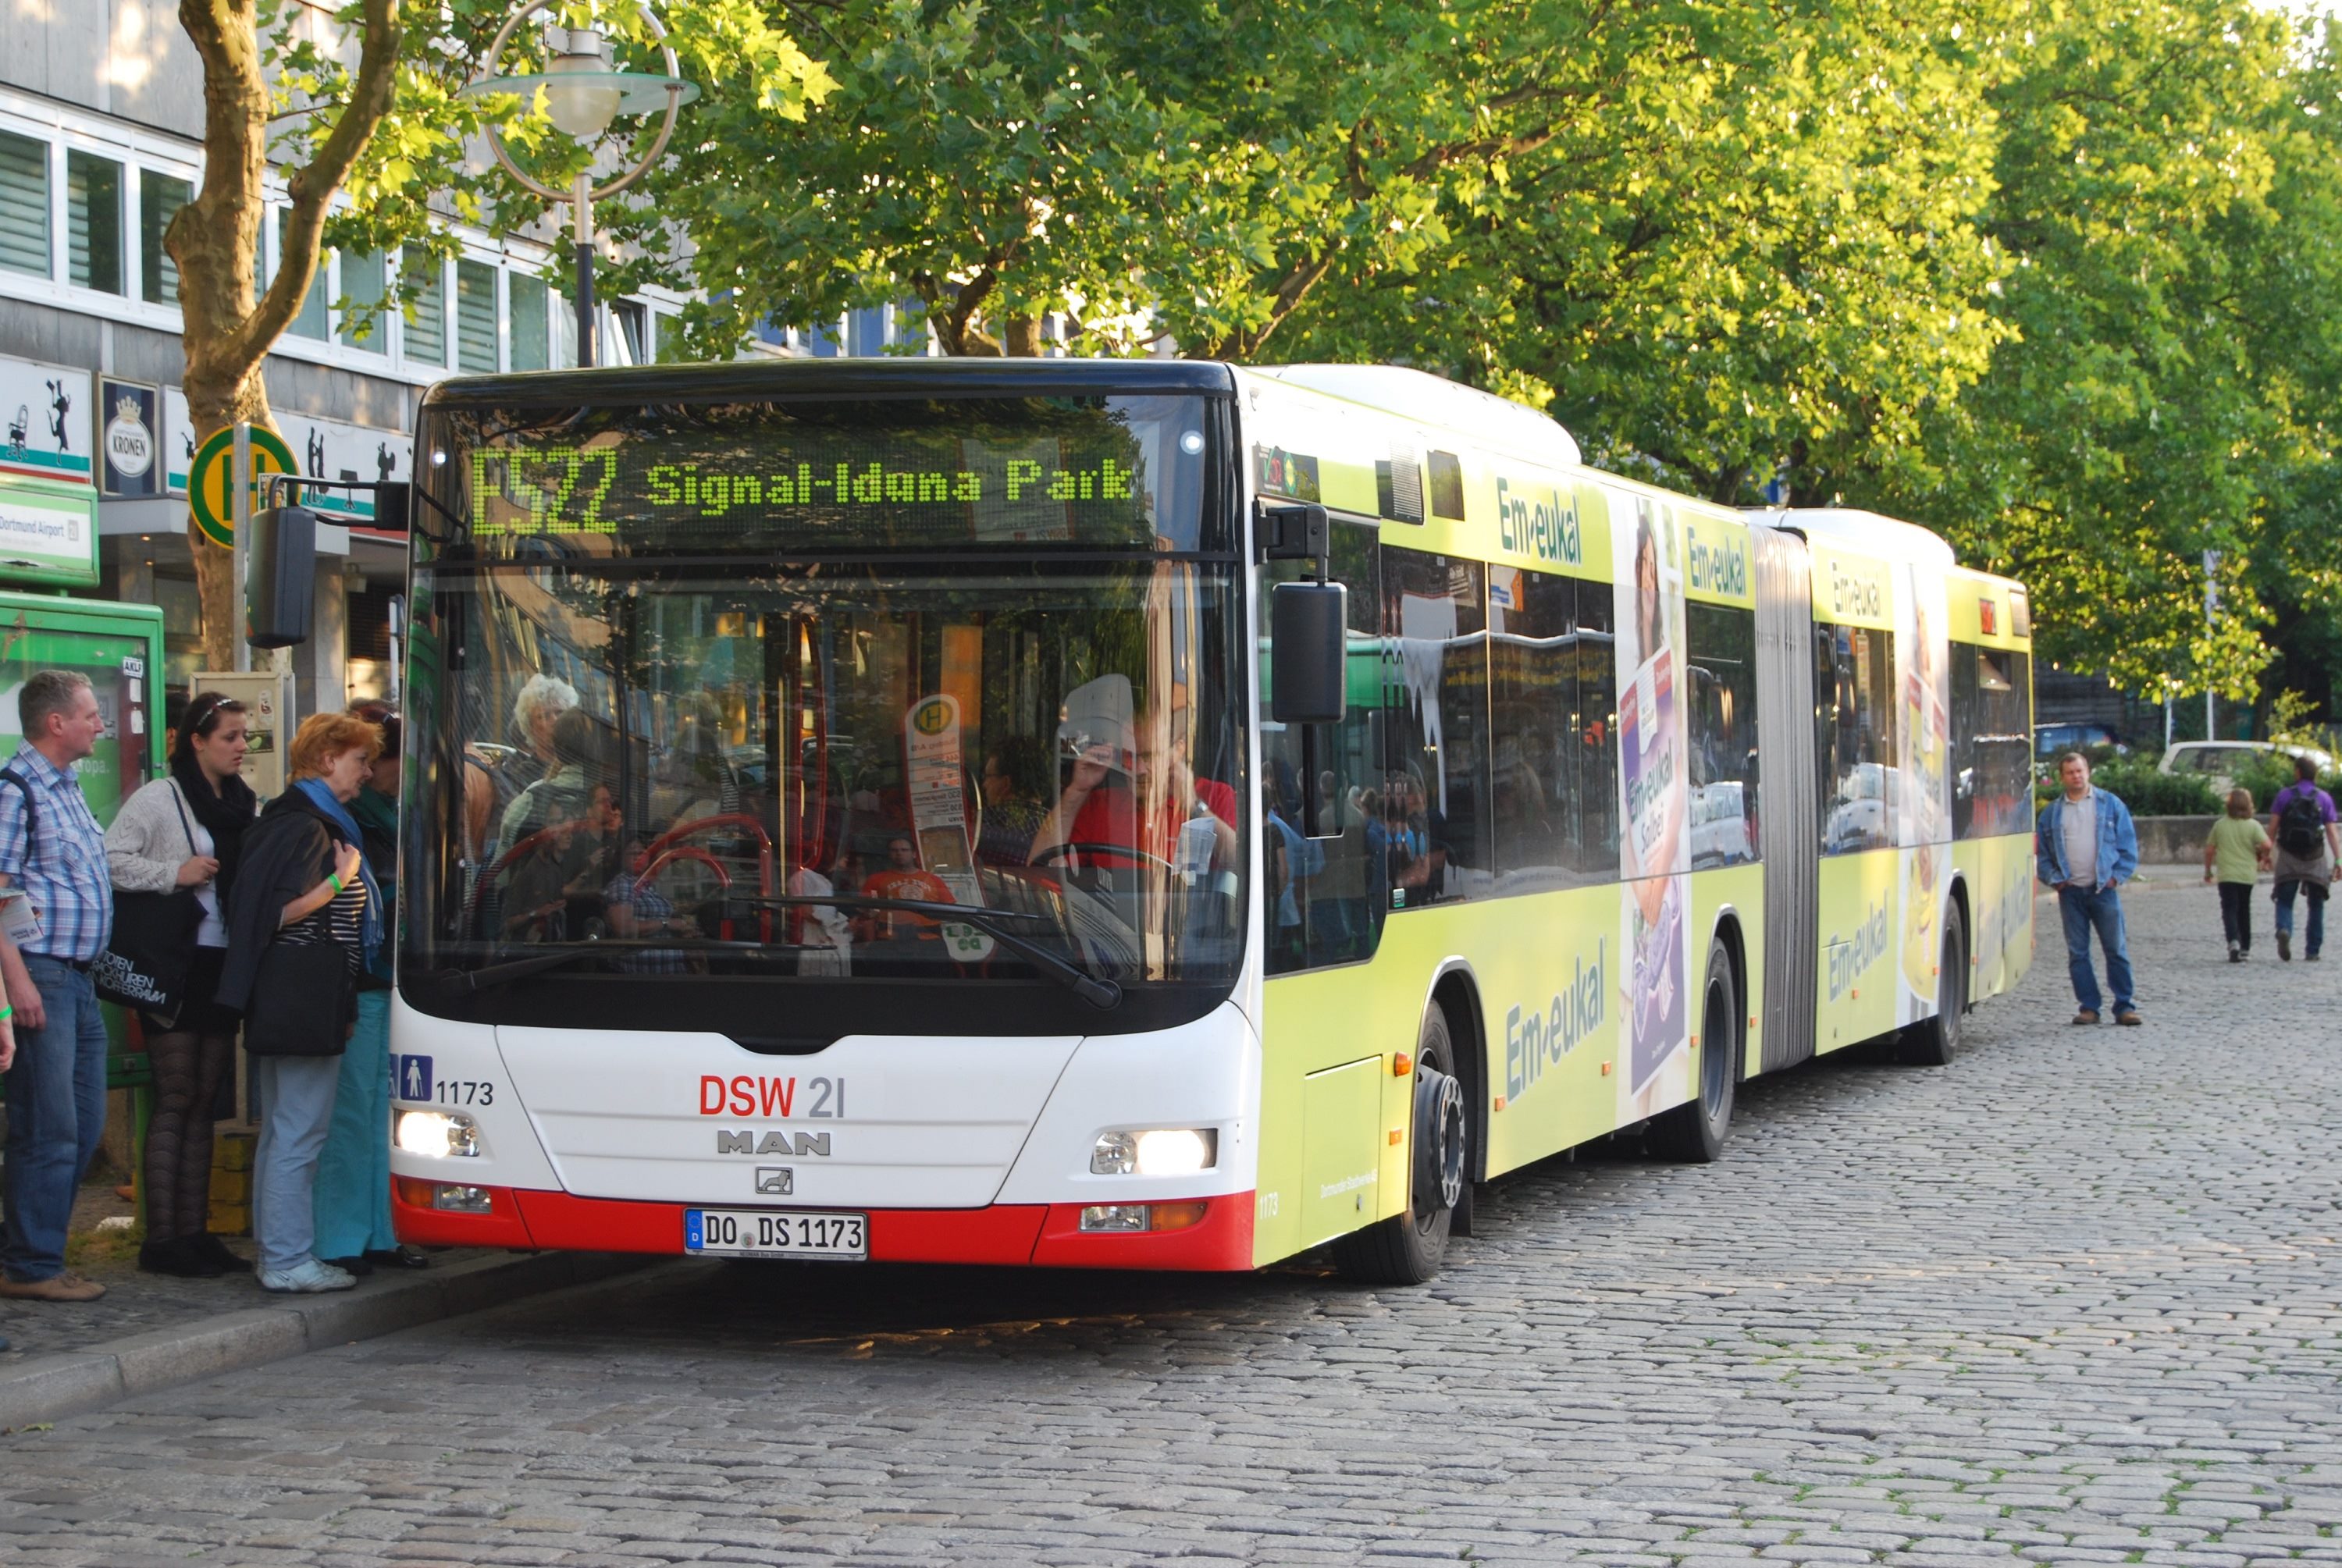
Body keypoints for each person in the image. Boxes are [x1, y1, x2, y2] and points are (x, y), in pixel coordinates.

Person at [219, 713, 383, 1294]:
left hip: (300, 997)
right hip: (303, 999)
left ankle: (278, 1253)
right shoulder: (304, 827)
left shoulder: (301, 820)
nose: (367, 771)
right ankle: (287, 1258)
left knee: (285, 1130)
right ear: (326, 759)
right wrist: (340, 883)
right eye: (359, 759)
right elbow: (269, 914)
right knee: (298, 1131)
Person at [103, 690, 255, 1277]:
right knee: (176, 1094)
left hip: (221, 962)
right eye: (230, 737)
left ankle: (196, 1232)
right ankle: (162, 1238)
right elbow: (110, 857)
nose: (241, 746)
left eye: (245, 737)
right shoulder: (160, 798)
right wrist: (174, 873)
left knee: (205, 1100)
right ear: (197, 740)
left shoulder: (241, 801)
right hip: (175, 961)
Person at [0, 671, 116, 1303]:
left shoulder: (66, 787)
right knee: (48, 1125)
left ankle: (35, 1247)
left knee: (82, 1121)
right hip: (41, 970)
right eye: (92, 714)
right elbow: (0, 888)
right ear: (56, 723)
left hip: (79, 975)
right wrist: (17, 979)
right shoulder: (17, 788)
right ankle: (31, 1263)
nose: (101, 724)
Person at [311, 702, 424, 1276]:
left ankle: (381, 1228)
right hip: (363, 974)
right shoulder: (349, 819)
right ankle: (340, 1234)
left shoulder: (389, 815)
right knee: (353, 1112)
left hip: (391, 977)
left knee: (385, 1113)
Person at [2034, 750, 2141, 1026]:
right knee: (2078, 953)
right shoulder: (2052, 814)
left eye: (2080, 770)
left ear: (2088, 771)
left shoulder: (2110, 804)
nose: (2076, 776)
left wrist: (2116, 877)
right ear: (2062, 777)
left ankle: (2124, 1005)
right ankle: (2089, 1007)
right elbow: (2043, 856)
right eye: (2070, 772)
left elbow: (2127, 846)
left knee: (2115, 948)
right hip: (2070, 892)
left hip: (2102, 889)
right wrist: (2056, 879)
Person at [462, 673, 575, 863]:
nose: (555, 720)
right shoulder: (513, 777)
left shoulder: (581, 770)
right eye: (544, 715)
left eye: (560, 713)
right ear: (530, 727)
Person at [2267, 756, 2340, 962]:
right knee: (2316, 905)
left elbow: (2272, 829)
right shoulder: (2324, 798)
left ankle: (2284, 929)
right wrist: (2339, 860)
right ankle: (2313, 950)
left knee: (2285, 901)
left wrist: (2265, 854)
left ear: (2298, 772)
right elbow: (2332, 833)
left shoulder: (2284, 796)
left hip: (2289, 856)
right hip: (2315, 857)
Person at [2202, 787, 2273, 963]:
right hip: (2246, 874)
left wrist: (2208, 870)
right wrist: (2262, 856)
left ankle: (2233, 940)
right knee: (2244, 910)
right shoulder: (2253, 825)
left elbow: (2210, 850)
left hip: (2227, 874)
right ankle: (2246, 948)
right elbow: (2267, 845)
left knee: (2229, 909)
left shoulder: (2220, 825)